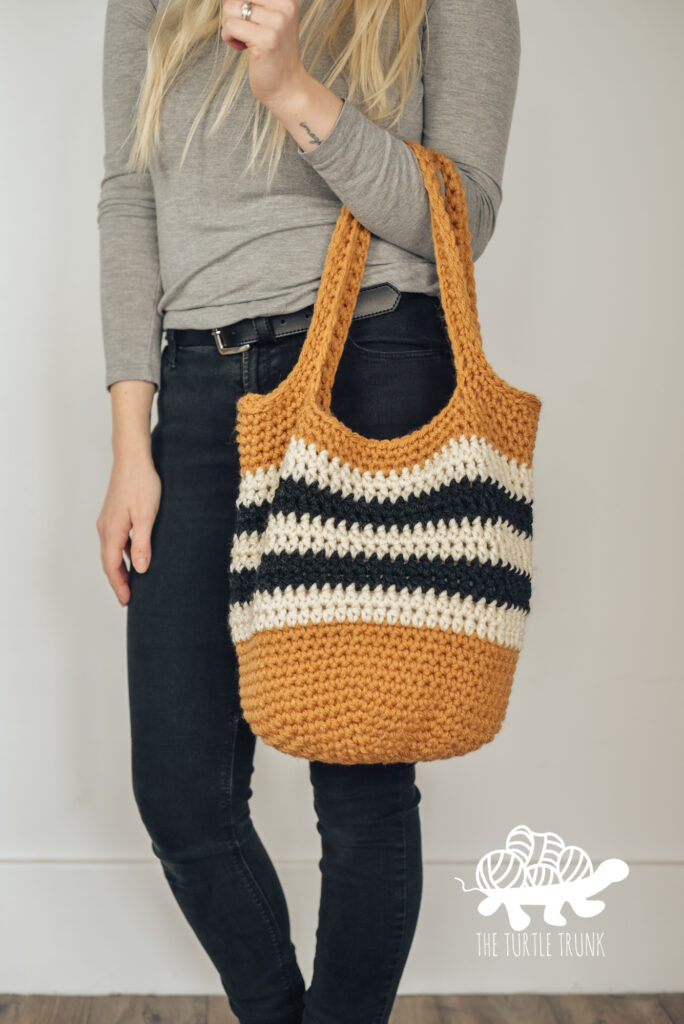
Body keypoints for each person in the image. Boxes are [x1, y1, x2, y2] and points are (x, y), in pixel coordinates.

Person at [95, 0, 520, 1020]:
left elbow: (462, 212)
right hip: (193, 381)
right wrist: (128, 442)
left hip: (373, 363)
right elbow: (128, 198)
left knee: (360, 777)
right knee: (182, 794)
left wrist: (294, 90)